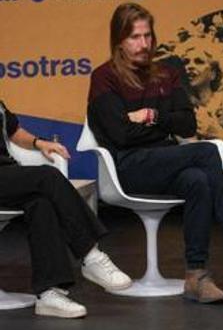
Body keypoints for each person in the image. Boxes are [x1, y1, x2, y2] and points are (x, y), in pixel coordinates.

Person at [87, 3, 223, 304]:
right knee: (204, 152)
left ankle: (196, 275)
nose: (144, 44)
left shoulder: (166, 74)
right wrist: (161, 122)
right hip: (127, 167)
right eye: (135, 37)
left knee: (197, 181)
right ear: (119, 41)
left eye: (148, 36)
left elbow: (187, 122)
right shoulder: (105, 78)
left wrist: (152, 116)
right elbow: (121, 135)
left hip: (165, 160)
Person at [0, 100, 131, 317]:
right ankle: (91, 254)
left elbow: (13, 130)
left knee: (40, 204)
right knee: (47, 177)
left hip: (6, 173)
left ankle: (48, 293)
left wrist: (39, 143)